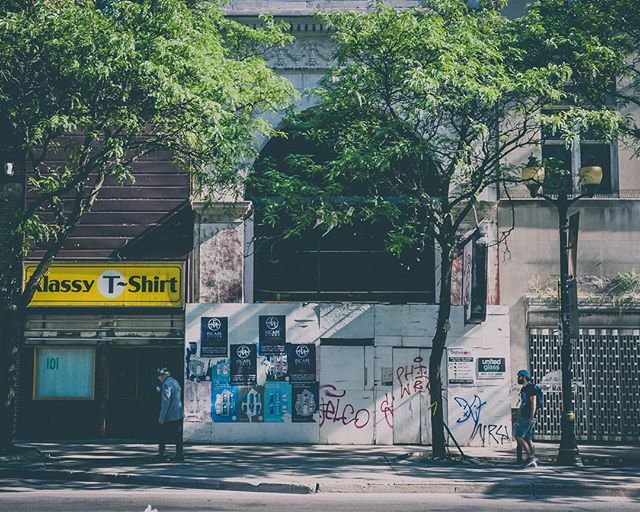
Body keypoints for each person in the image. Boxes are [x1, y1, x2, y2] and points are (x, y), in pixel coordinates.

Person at [157, 367, 184, 462]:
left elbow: (166, 401)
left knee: (162, 435)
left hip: (170, 415)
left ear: (163, 376)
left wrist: (161, 417)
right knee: (178, 436)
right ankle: (179, 454)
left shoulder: (166, 384)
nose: (158, 378)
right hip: (179, 413)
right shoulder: (175, 382)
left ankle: (162, 453)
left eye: (159, 376)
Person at [515, 369, 538, 468]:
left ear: (524, 377)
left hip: (528, 416)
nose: (518, 378)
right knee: (528, 438)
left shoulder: (531, 388)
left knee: (518, 436)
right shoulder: (523, 389)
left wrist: (531, 417)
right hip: (524, 416)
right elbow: (523, 403)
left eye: (519, 376)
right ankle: (532, 458)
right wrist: (518, 415)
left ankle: (530, 457)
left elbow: (533, 402)